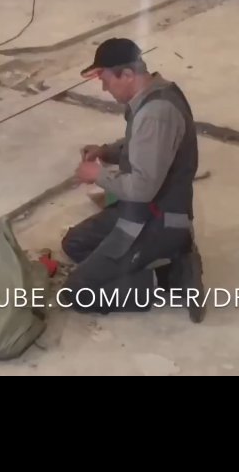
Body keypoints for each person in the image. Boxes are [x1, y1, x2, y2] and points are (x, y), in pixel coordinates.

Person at [61, 38, 206, 322]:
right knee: (75, 244)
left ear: (127, 74)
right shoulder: (154, 95)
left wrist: (98, 175)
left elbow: (141, 188)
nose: (104, 88)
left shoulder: (156, 114)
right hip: (139, 211)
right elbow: (143, 147)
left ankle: (171, 277)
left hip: (158, 221)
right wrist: (106, 152)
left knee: (78, 293)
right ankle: (137, 266)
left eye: (105, 80)